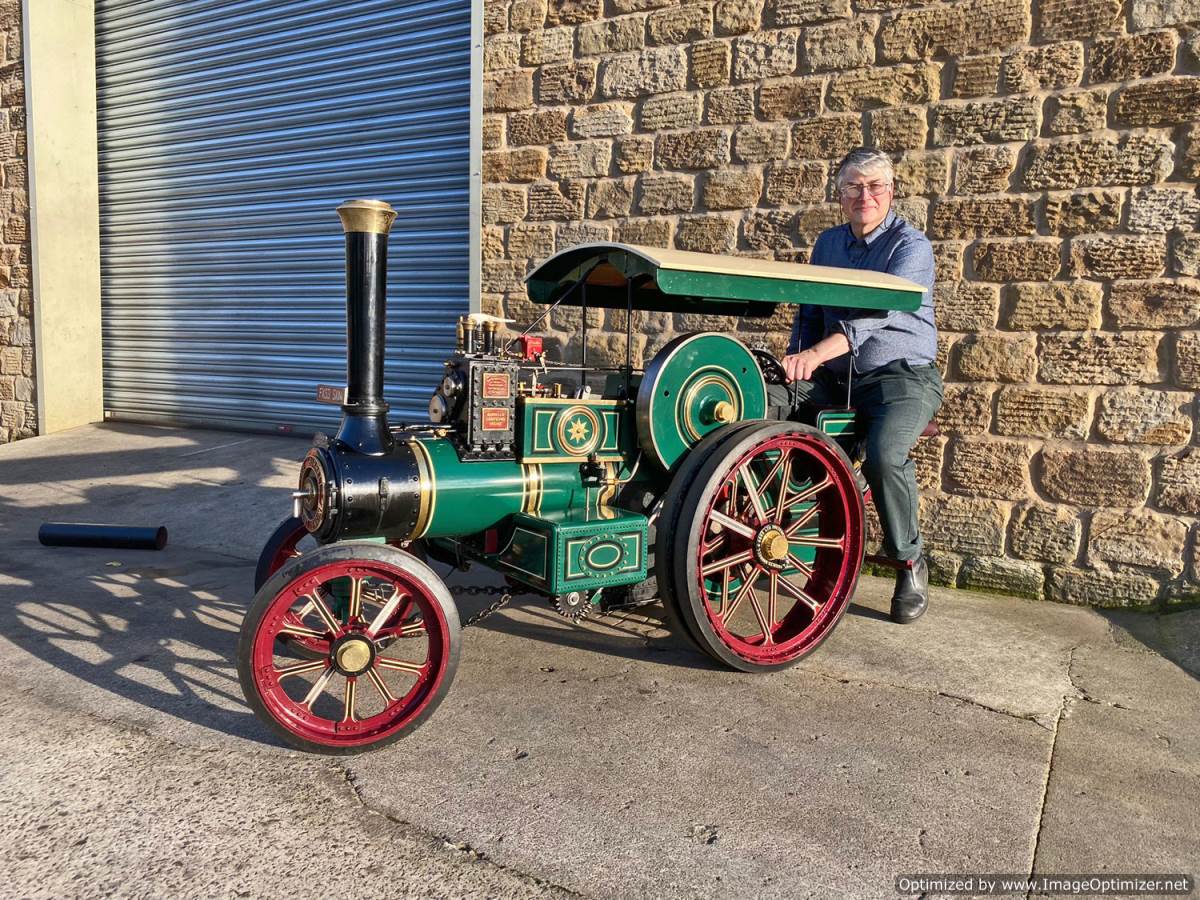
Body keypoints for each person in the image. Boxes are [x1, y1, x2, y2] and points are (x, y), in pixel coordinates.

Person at [768, 147, 943, 624]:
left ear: (891, 191)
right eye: (854, 187)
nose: (865, 195)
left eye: (875, 186)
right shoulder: (827, 244)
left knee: (885, 455)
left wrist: (816, 353)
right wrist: (796, 361)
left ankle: (909, 562)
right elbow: (808, 311)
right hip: (835, 378)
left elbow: (875, 315)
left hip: (902, 377)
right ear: (840, 195)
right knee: (760, 404)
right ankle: (766, 527)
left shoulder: (911, 246)